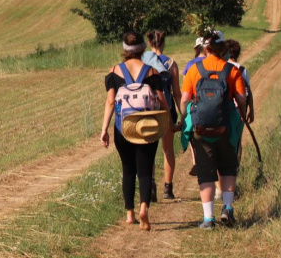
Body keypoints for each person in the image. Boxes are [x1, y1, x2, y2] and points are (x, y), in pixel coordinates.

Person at [101, 32, 170, 230]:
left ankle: (130, 214)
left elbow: (110, 102)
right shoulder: (152, 72)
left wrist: (105, 129)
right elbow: (163, 102)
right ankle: (144, 209)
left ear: (125, 50)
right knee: (145, 171)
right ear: (143, 49)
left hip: (123, 128)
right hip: (147, 128)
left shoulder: (115, 71)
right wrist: (168, 122)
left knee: (128, 170)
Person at [180, 30, 247, 230]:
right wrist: (243, 116)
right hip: (225, 127)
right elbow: (241, 99)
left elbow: (184, 100)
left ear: (206, 48)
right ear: (222, 48)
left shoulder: (194, 70)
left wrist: (182, 119)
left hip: (201, 129)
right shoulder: (232, 70)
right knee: (227, 166)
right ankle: (227, 207)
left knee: (206, 172)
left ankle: (208, 219)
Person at [142, 31, 183, 200]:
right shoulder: (171, 63)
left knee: (149, 150)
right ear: (164, 43)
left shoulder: (142, 62)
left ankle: (151, 184)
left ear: (149, 43)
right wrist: (183, 114)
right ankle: (168, 187)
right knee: (168, 150)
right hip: (167, 110)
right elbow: (177, 93)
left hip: (149, 110)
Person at [226, 39, 256, 164]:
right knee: (237, 140)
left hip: (225, 109)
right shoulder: (243, 70)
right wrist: (250, 111)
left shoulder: (223, 68)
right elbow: (248, 91)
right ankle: (235, 168)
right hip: (239, 110)